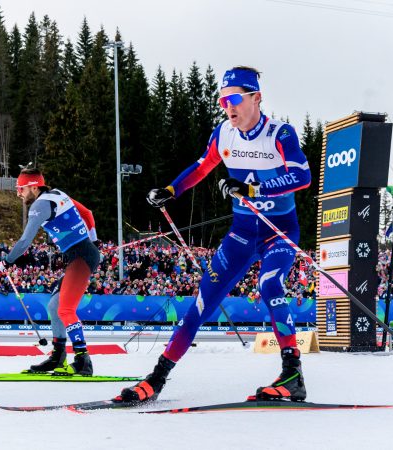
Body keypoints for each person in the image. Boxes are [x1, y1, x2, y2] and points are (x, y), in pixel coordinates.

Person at [120, 66, 311, 403]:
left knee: (270, 284)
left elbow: (302, 176)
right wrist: (170, 189)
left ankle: (292, 374)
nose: (229, 107)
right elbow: (202, 166)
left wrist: (254, 188)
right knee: (202, 301)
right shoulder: (224, 133)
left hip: (277, 230)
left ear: (256, 98)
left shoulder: (281, 134)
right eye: (223, 100)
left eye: (235, 98)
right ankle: (157, 378)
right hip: (240, 234)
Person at [5, 168, 100, 375]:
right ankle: (58, 356)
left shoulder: (39, 205)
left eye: (21, 188)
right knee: (54, 305)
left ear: (33, 186)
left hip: (81, 257)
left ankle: (83, 361)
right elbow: (87, 214)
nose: (18, 193)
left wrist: (8, 259)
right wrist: (94, 241)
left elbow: (25, 241)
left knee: (65, 310)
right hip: (81, 255)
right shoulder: (58, 194)